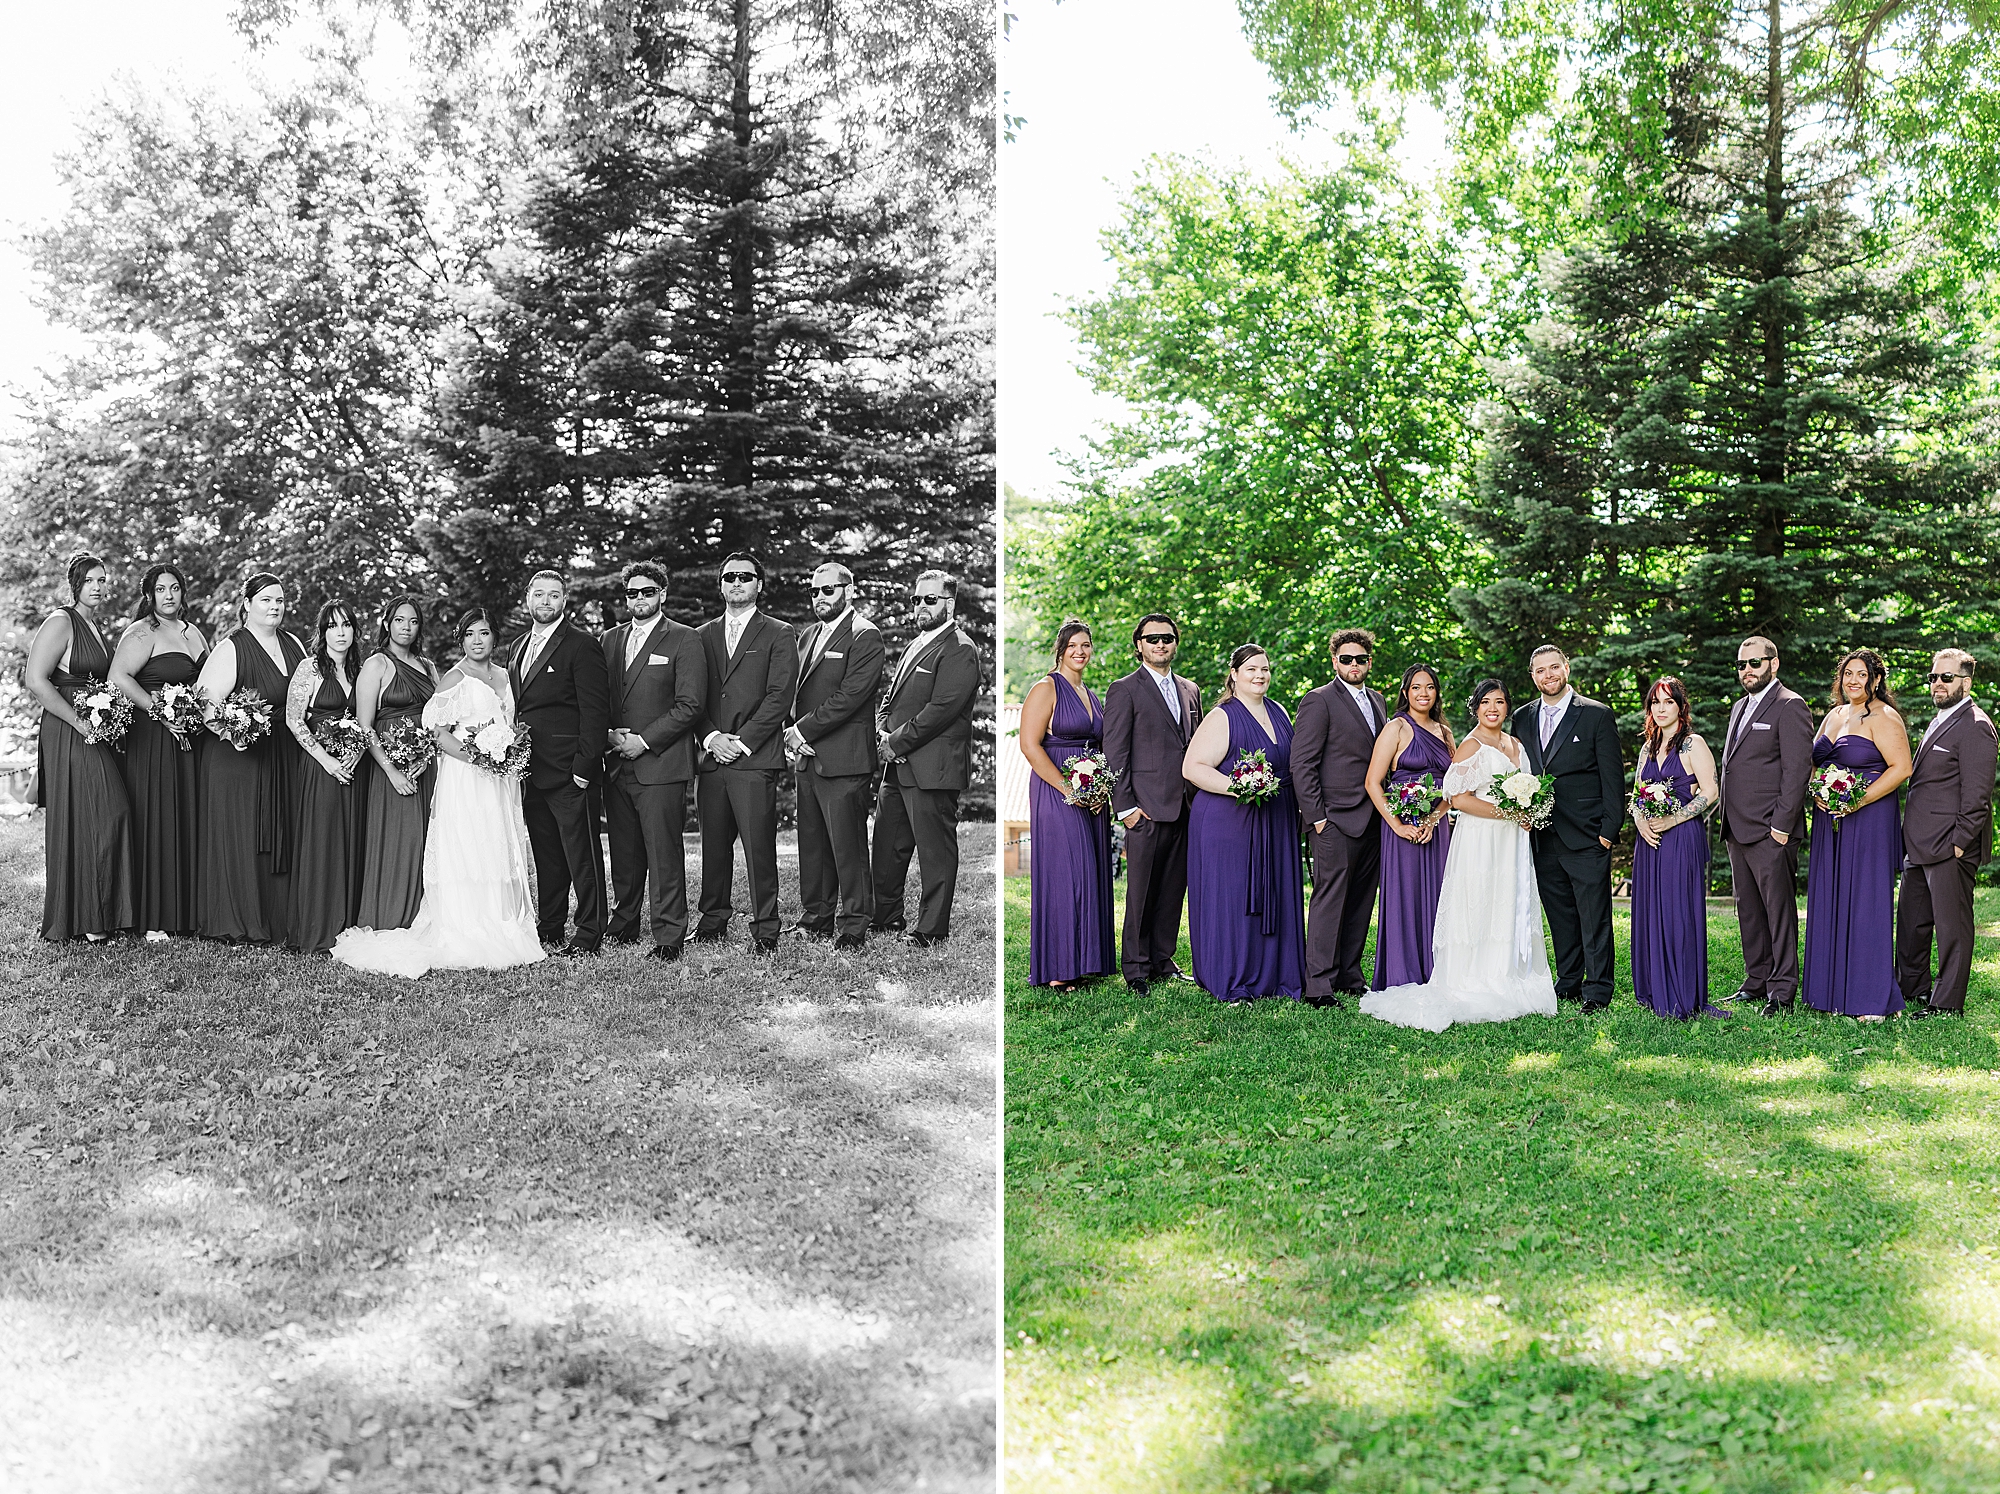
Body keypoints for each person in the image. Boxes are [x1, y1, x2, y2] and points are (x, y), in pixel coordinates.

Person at [331, 609, 547, 976]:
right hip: (467, 776)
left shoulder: (504, 675)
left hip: (499, 779)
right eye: (469, 634)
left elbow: (508, 723)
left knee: (494, 843)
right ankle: (466, 925)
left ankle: (500, 919)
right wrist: (478, 757)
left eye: (484, 633)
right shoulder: (453, 676)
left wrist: (507, 754)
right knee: (467, 844)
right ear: (460, 640)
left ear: (495, 638)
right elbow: (436, 729)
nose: (477, 641)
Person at [1361, 680, 1559, 1031]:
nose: (1493, 708)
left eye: (1500, 701)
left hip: (1511, 840)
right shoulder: (1470, 745)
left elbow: (1524, 787)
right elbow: (1459, 797)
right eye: (1485, 702)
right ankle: (1475, 974)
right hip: (1482, 837)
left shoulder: (1515, 745)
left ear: (1508, 706)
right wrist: (1510, 813)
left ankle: (1508, 971)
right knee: (1479, 901)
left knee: (1507, 901)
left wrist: (1529, 810)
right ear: (1476, 708)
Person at [1182, 645, 1306, 1001]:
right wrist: (1241, 788)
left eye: (1265, 669)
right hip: (1229, 822)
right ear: (1234, 674)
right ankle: (1233, 976)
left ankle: (1276, 976)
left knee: (1277, 892)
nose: (1260, 675)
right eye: (1251, 669)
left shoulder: (1280, 711)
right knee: (1235, 897)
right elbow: (1193, 769)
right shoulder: (1223, 716)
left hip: (1277, 816)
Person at [25, 551, 137, 941]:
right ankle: (89, 917)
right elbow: (36, 680)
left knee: (99, 813)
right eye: (91, 580)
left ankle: (97, 913)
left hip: (93, 728)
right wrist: (78, 721)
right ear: (75, 583)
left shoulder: (95, 625)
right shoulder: (61, 621)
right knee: (108, 810)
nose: (99, 587)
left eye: (103, 580)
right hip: (67, 728)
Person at [693, 554, 798, 953]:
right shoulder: (701, 635)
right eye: (729, 577)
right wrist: (711, 738)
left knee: (758, 847)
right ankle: (712, 919)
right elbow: (692, 697)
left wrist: (740, 742)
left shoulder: (778, 632)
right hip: (711, 756)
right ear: (720, 585)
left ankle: (766, 927)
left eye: (745, 576)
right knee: (713, 846)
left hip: (753, 758)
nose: (736, 582)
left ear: (759, 584)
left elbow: (779, 697)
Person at [601, 562, 706, 960]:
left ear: (662, 593)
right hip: (616, 764)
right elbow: (597, 700)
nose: (639, 599)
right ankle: (624, 923)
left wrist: (643, 741)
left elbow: (690, 705)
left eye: (647, 591)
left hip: (661, 764)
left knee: (663, 853)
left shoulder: (684, 639)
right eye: (632, 593)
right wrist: (610, 736)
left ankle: (668, 936)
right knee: (624, 853)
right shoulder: (609, 640)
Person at [872, 570, 981, 946]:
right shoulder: (915, 644)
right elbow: (890, 698)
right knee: (886, 848)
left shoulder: (960, 649)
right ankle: (885, 919)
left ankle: (931, 931)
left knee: (935, 854)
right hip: (897, 767)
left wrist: (896, 743)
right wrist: (882, 730)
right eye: (916, 599)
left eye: (929, 599)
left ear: (949, 603)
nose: (920, 605)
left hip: (932, 769)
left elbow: (941, 710)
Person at [195, 572, 306, 943]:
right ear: (247, 604)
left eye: (279, 600)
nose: (275, 607)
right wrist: (233, 732)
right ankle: (240, 918)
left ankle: (280, 918)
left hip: (286, 754)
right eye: (266, 600)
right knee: (246, 835)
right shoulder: (232, 648)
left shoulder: (294, 644)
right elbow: (204, 704)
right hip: (240, 759)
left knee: (284, 830)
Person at [1513, 645, 1624, 1013]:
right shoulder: (1522, 718)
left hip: (1588, 834)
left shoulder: (1596, 715)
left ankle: (1598, 989)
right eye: (1541, 670)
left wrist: (1609, 830)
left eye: (1554, 668)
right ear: (1533, 676)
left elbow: (1612, 776)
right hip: (1542, 836)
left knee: (1593, 916)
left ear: (1567, 668)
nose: (1549, 675)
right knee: (1559, 915)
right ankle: (1570, 981)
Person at [1802, 649, 1912, 1018]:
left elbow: (1902, 768)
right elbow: (1817, 762)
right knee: (1831, 898)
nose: (1853, 680)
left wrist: (1859, 801)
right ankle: (1830, 993)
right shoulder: (1834, 715)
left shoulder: (1884, 716)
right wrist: (1819, 790)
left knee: (1866, 903)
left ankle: (1871, 998)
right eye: (1848, 673)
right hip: (1830, 822)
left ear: (1875, 680)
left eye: (1861, 675)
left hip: (1868, 819)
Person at [508, 570, 611, 956]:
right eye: (539, 594)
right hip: (531, 772)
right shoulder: (517, 646)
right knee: (548, 857)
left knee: (582, 858)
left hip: (572, 773)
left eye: (554, 595)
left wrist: (585, 769)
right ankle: (549, 927)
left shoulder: (582, 646)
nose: (546, 602)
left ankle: (588, 933)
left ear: (564, 601)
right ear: (528, 599)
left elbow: (595, 712)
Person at [784, 561, 884, 948]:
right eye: (815, 591)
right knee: (812, 843)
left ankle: (854, 924)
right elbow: (792, 691)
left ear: (849, 590)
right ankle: (815, 918)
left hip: (844, 759)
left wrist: (802, 729)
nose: (821, 597)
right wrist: (790, 732)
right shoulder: (808, 635)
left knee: (848, 846)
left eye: (829, 589)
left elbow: (850, 698)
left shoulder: (865, 635)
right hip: (807, 756)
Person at [1103, 613, 1203, 995]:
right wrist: (1125, 808)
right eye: (1152, 638)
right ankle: (1136, 968)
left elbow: (1194, 745)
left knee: (1172, 889)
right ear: (1139, 645)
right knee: (1141, 891)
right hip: (1143, 809)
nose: (1161, 644)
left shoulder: (1190, 690)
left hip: (1185, 806)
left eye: (1167, 638)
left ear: (1175, 643)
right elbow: (1114, 751)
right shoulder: (1124, 689)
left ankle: (1163, 959)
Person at [1292, 628, 1390, 1008]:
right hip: (1333, 820)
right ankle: (1317, 985)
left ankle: (1350, 974)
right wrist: (1317, 818)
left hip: (1373, 820)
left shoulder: (1379, 701)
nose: (1354, 665)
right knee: (1329, 901)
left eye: (1360, 659)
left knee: (1362, 901)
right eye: (1346, 659)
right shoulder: (1319, 701)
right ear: (1334, 661)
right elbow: (1302, 763)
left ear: (1369, 662)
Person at [1716, 634, 1814, 1014]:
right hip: (1737, 829)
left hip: (1772, 831)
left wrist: (1781, 827)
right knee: (1750, 911)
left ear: (1774, 664)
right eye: (1741, 664)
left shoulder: (1790, 706)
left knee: (1779, 912)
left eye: (1755, 663)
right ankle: (1756, 981)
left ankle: (1783, 991)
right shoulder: (1740, 706)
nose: (1747, 671)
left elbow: (1796, 771)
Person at [108, 562, 206, 940]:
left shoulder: (192, 632)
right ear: (150, 595)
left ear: (183, 593)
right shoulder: (142, 631)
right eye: (161, 589)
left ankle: (186, 912)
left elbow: (206, 679)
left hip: (189, 738)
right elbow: (117, 677)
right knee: (158, 818)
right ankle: (154, 916)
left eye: (175, 588)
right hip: (152, 739)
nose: (169, 596)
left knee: (185, 815)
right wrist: (159, 711)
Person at [1897, 648, 1997, 1019]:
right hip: (1920, 844)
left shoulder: (1975, 725)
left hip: (1950, 847)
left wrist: (1958, 844)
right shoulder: (1941, 719)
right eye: (1933, 677)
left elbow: (1977, 796)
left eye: (1946, 677)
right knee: (1912, 925)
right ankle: (1913, 989)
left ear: (1966, 683)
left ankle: (1946, 1003)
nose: (1937, 683)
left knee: (1952, 929)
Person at [1021, 619, 1116, 989]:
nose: (1081, 651)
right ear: (1060, 649)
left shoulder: (1090, 694)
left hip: (1089, 792)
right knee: (1067, 875)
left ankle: (1086, 960)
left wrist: (1099, 789)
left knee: (1089, 874)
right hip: (1055, 790)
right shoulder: (1046, 688)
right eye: (1073, 645)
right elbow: (1030, 746)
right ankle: (1059, 969)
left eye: (1087, 645)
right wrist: (1070, 789)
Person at [1629, 678, 1726, 1020]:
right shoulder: (1647, 747)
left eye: (1668, 702)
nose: (1660, 708)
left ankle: (1682, 992)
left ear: (1680, 707)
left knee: (1677, 914)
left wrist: (1672, 820)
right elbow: (1638, 791)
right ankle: (1655, 989)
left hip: (1680, 838)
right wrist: (1640, 820)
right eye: (1655, 702)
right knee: (1651, 911)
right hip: (1649, 840)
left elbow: (1710, 791)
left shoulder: (1692, 744)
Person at [1362, 663, 1454, 989]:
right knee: (1406, 896)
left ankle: (1439, 970)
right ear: (1405, 692)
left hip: (1436, 828)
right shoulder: (1396, 728)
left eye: (1429, 687)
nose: (1423, 693)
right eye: (1416, 687)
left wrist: (1435, 818)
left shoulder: (1445, 733)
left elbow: (1455, 787)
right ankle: (1403, 971)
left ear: (1436, 692)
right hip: (1402, 827)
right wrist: (1398, 826)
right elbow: (1373, 782)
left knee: (1441, 897)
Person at [353, 596, 439, 931]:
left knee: (426, 841)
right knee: (399, 841)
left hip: (424, 766)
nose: (406, 627)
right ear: (387, 623)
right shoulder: (377, 665)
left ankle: (423, 918)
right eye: (400, 620)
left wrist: (427, 753)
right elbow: (364, 725)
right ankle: (390, 919)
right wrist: (391, 770)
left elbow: (438, 719)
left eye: (413, 621)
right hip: (390, 768)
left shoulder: (428, 666)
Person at [286, 602, 366, 954]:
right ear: (323, 632)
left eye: (346, 625)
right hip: (321, 769)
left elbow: (368, 720)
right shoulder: (310, 668)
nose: (340, 632)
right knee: (323, 843)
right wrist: (325, 760)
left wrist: (357, 751)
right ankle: (319, 927)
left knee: (352, 841)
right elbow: (294, 718)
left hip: (355, 769)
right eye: (332, 626)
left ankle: (347, 923)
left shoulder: (362, 670)